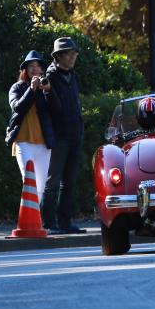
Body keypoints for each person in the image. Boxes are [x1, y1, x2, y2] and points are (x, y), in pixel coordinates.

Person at [42, 37, 85, 235]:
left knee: (70, 181)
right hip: (59, 136)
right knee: (53, 181)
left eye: (74, 53)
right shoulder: (50, 77)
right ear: (58, 56)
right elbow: (54, 108)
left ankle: (65, 221)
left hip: (75, 133)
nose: (73, 56)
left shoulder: (73, 76)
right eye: (69, 53)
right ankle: (49, 223)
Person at [6, 51, 58, 199]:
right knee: (29, 183)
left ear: (42, 69)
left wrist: (49, 91)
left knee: (41, 187)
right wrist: (31, 89)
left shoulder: (45, 87)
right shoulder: (16, 88)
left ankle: (37, 221)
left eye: (38, 66)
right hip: (23, 143)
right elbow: (17, 107)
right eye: (31, 66)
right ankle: (29, 220)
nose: (35, 69)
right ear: (25, 70)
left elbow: (57, 109)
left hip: (44, 143)